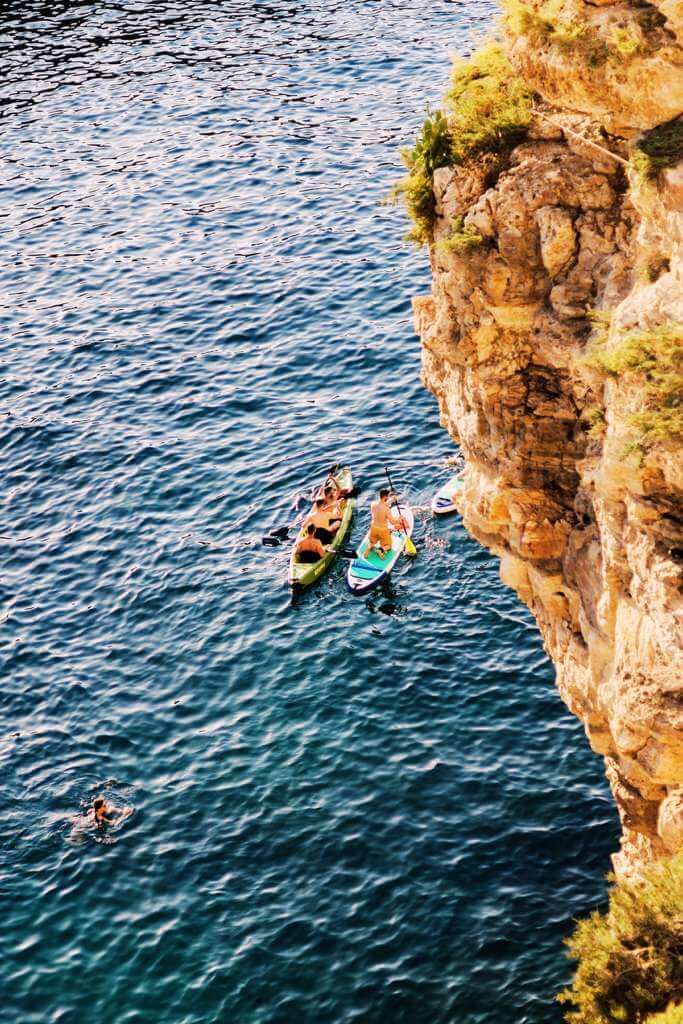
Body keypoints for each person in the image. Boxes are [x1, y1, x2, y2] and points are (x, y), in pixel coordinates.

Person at [362, 487, 403, 561]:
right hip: (383, 530)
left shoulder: (373, 504)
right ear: (385, 497)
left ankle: (369, 548)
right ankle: (380, 550)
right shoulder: (387, 509)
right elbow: (392, 522)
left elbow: (382, 505)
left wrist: (391, 500)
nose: (388, 497)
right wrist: (399, 519)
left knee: (372, 542)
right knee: (389, 546)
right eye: (388, 496)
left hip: (373, 528)